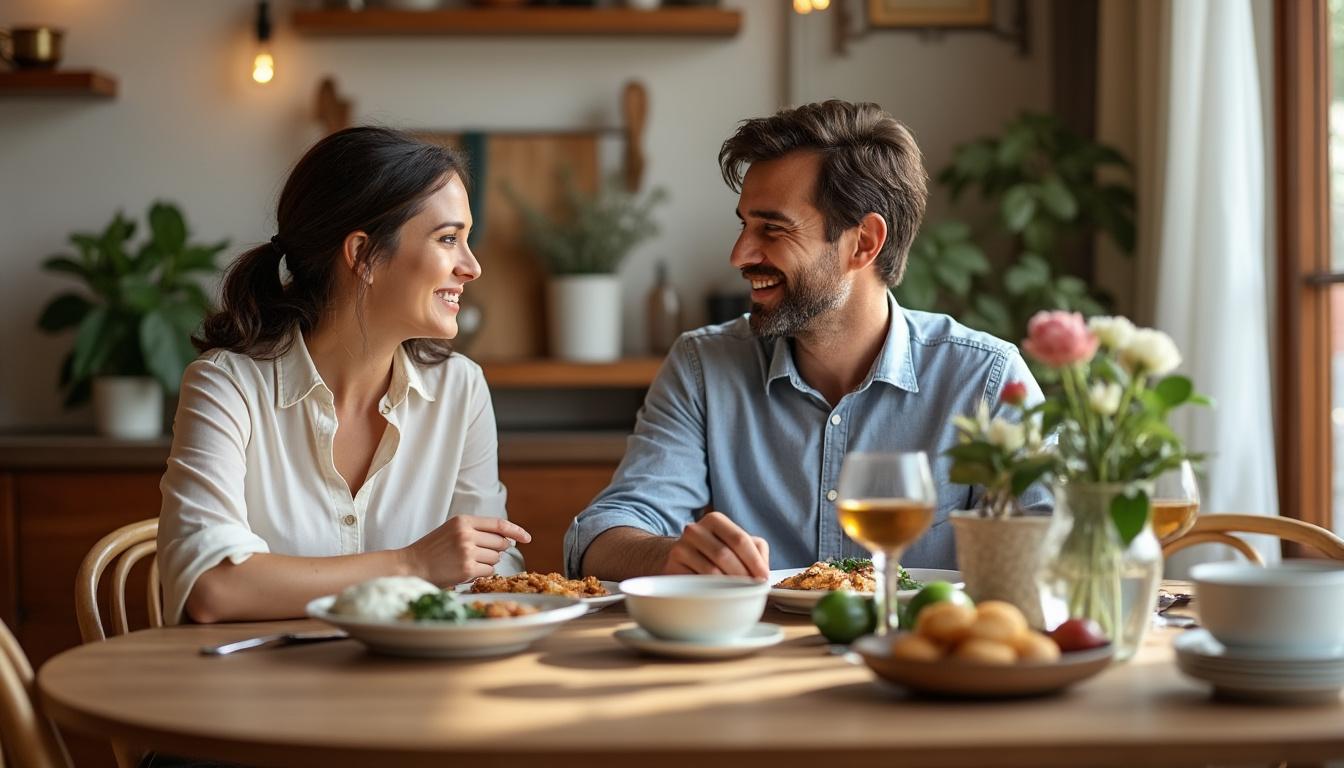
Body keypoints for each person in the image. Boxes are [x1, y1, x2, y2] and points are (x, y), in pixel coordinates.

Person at [564, 100, 1050, 581]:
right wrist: (669, 556)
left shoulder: (985, 381)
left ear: (863, 242)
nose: (739, 255)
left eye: (772, 229)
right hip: (752, 656)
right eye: (744, 225)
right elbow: (602, 534)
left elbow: (1058, 548)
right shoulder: (703, 366)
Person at [158, 127, 529, 625]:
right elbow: (212, 587)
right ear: (363, 255)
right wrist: (412, 564)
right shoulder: (227, 387)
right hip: (257, 693)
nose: (472, 267)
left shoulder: (460, 389)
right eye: (448, 239)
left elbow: (489, 574)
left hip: (417, 688)